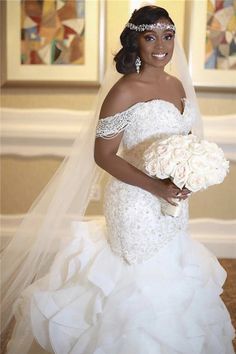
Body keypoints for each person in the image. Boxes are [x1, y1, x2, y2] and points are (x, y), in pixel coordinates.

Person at [3, 5, 235, 354]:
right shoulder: (124, 91)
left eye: (168, 35)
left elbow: (184, 141)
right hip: (134, 204)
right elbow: (104, 155)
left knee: (172, 272)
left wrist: (189, 172)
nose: (161, 44)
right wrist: (157, 186)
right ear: (135, 42)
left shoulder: (178, 85)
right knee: (136, 281)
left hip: (172, 201)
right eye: (150, 36)